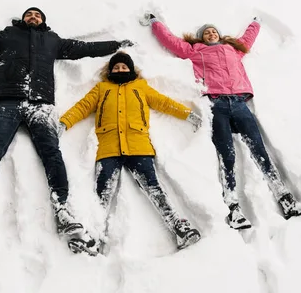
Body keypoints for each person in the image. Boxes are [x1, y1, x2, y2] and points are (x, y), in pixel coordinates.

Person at [0, 7, 134, 238]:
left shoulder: (52, 40)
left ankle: (63, 211)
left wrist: (115, 45)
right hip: (8, 101)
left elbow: (84, 48)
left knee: (52, 155)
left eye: (37, 15)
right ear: (23, 19)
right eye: (29, 14)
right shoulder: (9, 35)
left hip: (40, 105)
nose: (33, 17)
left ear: (43, 20)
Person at [140, 12, 301, 230]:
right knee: (226, 154)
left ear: (219, 35)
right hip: (216, 104)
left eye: (214, 31)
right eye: (206, 33)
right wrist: (156, 23)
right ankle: (233, 209)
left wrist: (255, 23)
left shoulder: (233, 49)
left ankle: (286, 200)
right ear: (202, 38)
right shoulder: (195, 51)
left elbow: (248, 39)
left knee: (259, 149)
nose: (211, 34)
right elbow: (170, 41)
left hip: (240, 103)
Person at [59, 52, 203, 250]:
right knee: (102, 193)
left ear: (131, 70)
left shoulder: (140, 87)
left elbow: (163, 102)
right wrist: (64, 122)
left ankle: (179, 228)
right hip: (108, 148)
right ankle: (92, 238)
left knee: (154, 188)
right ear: (110, 71)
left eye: (124, 67)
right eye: (116, 67)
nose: (120, 70)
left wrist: (187, 114)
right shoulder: (102, 88)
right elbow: (82, 107)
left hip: (139, 146)